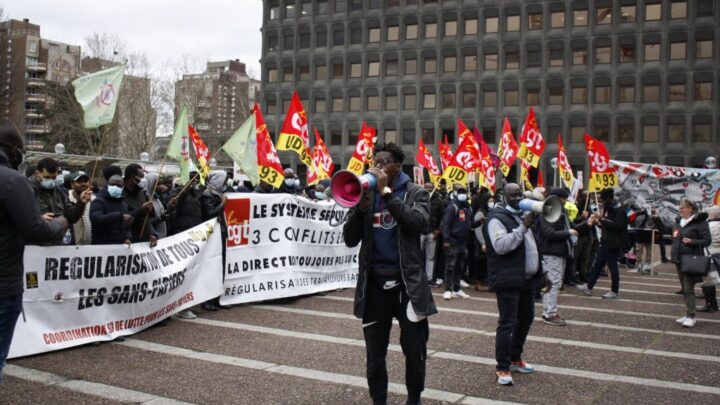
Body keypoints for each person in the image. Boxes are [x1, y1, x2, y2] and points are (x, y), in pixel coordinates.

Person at [343, 142, 434, 405]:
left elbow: (418, 223)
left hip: (408, 286)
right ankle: (378, 400)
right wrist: (360, 209)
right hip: (374, 286)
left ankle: (414, 399)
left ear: (397, 166)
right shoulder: (366, 196)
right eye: (375, 162)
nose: (377, 167)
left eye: (383, 162)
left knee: (415, 350)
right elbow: (350, 240)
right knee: (374, 355)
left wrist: (386, 193)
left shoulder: (416, 192)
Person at [0, 122, 68, 383]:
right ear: (13, 150)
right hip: (4, 283)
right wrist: (60, 223)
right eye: (22, 150)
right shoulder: (13, 181)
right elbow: (36, 230)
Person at [482, 183, 541, 385]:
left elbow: (532, 247)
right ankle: (503, 367)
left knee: (526, 319)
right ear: (504, 197)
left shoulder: (521, 216)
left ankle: (516, 358)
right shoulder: (496, 219)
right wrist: (524, 225)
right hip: (508, 279)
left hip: (526, 279)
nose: (518, 198)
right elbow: (502, 246)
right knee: (507, 323)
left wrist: (542, 274)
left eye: (520, 194)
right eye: (513, 195)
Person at [538, 188, 584, 326]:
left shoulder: (560, 210)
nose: (565, 201)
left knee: (553, 282)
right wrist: (567, 232)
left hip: (559, 251)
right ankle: (549, 313)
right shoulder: (549, 210)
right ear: (557, 198)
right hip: (552, 252)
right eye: (564, 199)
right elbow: (549, 233)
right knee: (553, 282)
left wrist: (585, 223)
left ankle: (548, 311)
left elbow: (572, 227)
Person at [577, 188, 628, 299]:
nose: (602, 202)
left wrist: (602, 220)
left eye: (603, 199)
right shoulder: (608, 208)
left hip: (613, 243)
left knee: (613, 267)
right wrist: (598, 223)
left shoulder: (619, 210)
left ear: (609, 198)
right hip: (606, 242)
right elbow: (607, 225)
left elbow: (617, 226)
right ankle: (589, 287)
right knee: (597, 265)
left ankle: (614, 291)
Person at [31, 157, 90, 244]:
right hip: (35, 246)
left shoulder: (59, 192)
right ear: (37, 173)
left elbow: (72, 217)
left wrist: (81, 202)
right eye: (47, 177)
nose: (51, 181)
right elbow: (19, 218)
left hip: (57, 245)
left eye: (54, 177)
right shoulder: (28, 190)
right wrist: (38, 220)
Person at [671, 198, 711, 327]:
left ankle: (691, 316)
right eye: (680, 207)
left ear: (690, 208)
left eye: (682, 207)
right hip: (678, 259)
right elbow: (669, 231)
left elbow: (707, 240)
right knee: (685, 289)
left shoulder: (699, 223)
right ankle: (688, 312)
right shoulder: (678, 221)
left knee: (688, 289)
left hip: (690, 259)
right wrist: (656, 219)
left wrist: (692, 242)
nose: (680, 209)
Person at [441, 186, 472, 300]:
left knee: (460, 267)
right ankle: (448, 290)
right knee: (450, 266)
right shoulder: (452, 207)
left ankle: (457, 289)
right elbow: (446, 225)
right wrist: (446, 240)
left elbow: (469, 223)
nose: (462, 194)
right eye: (460, 192)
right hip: (453, 241)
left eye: (464, 192)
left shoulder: (467, 208)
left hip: (463, 242)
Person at [90, 171, 133, 246]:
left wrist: (127, 237)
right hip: (101, 246)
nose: (115, 187)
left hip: (119, 247)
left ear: (123, 187)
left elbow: (127, 226)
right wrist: (119, 216)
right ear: (107, 185)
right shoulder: (98, 201)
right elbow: (95, 219)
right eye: (112, 185)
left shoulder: (124, 205)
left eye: (118, 185)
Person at [122, 164, 158, 246]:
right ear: (132, 176)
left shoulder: (142, 193)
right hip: (128, 242)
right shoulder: (120, 193)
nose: (143, 180)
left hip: (144, 243)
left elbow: (147, 218)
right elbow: (120, 217)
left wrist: (151, 233)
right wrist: (141, 210)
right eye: (141, 176)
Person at [420, 182, 442, 286]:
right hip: (419, 232)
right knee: (417, 255)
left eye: (430, 187)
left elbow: (441, 216)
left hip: (432, 233)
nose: (428, 189)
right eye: (426, 187)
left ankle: (429, 278)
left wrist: (438, 229)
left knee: (430, 257)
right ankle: (418, 277)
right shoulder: (418, 199)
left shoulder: (438, 201)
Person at [701, 206, 720, 313]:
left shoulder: (709, 226)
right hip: (718, 253)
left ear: (712, 215)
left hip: (710, 255)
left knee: (709, 281)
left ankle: (711, 304)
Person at [68, 171, 95, 245]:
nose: (83, 184)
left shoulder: (95, 200)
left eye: (86, 181)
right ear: (72, 184)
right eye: (79, 181)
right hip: (71, 247)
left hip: (91, 248)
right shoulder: (66, 199)